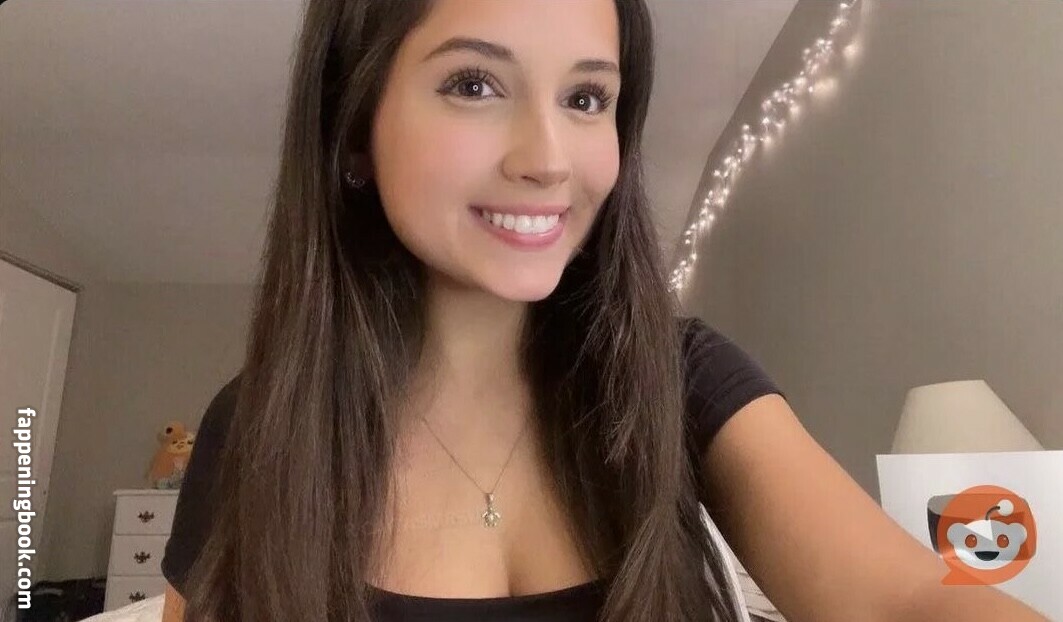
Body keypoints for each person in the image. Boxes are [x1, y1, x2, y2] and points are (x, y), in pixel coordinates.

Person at [159, 1, 1049, 621]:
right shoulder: (259, 426)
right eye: (473, 84)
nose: (549, 159)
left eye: (586, 99)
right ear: (354, 129)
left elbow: (900, 599)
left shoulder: (681, 378)